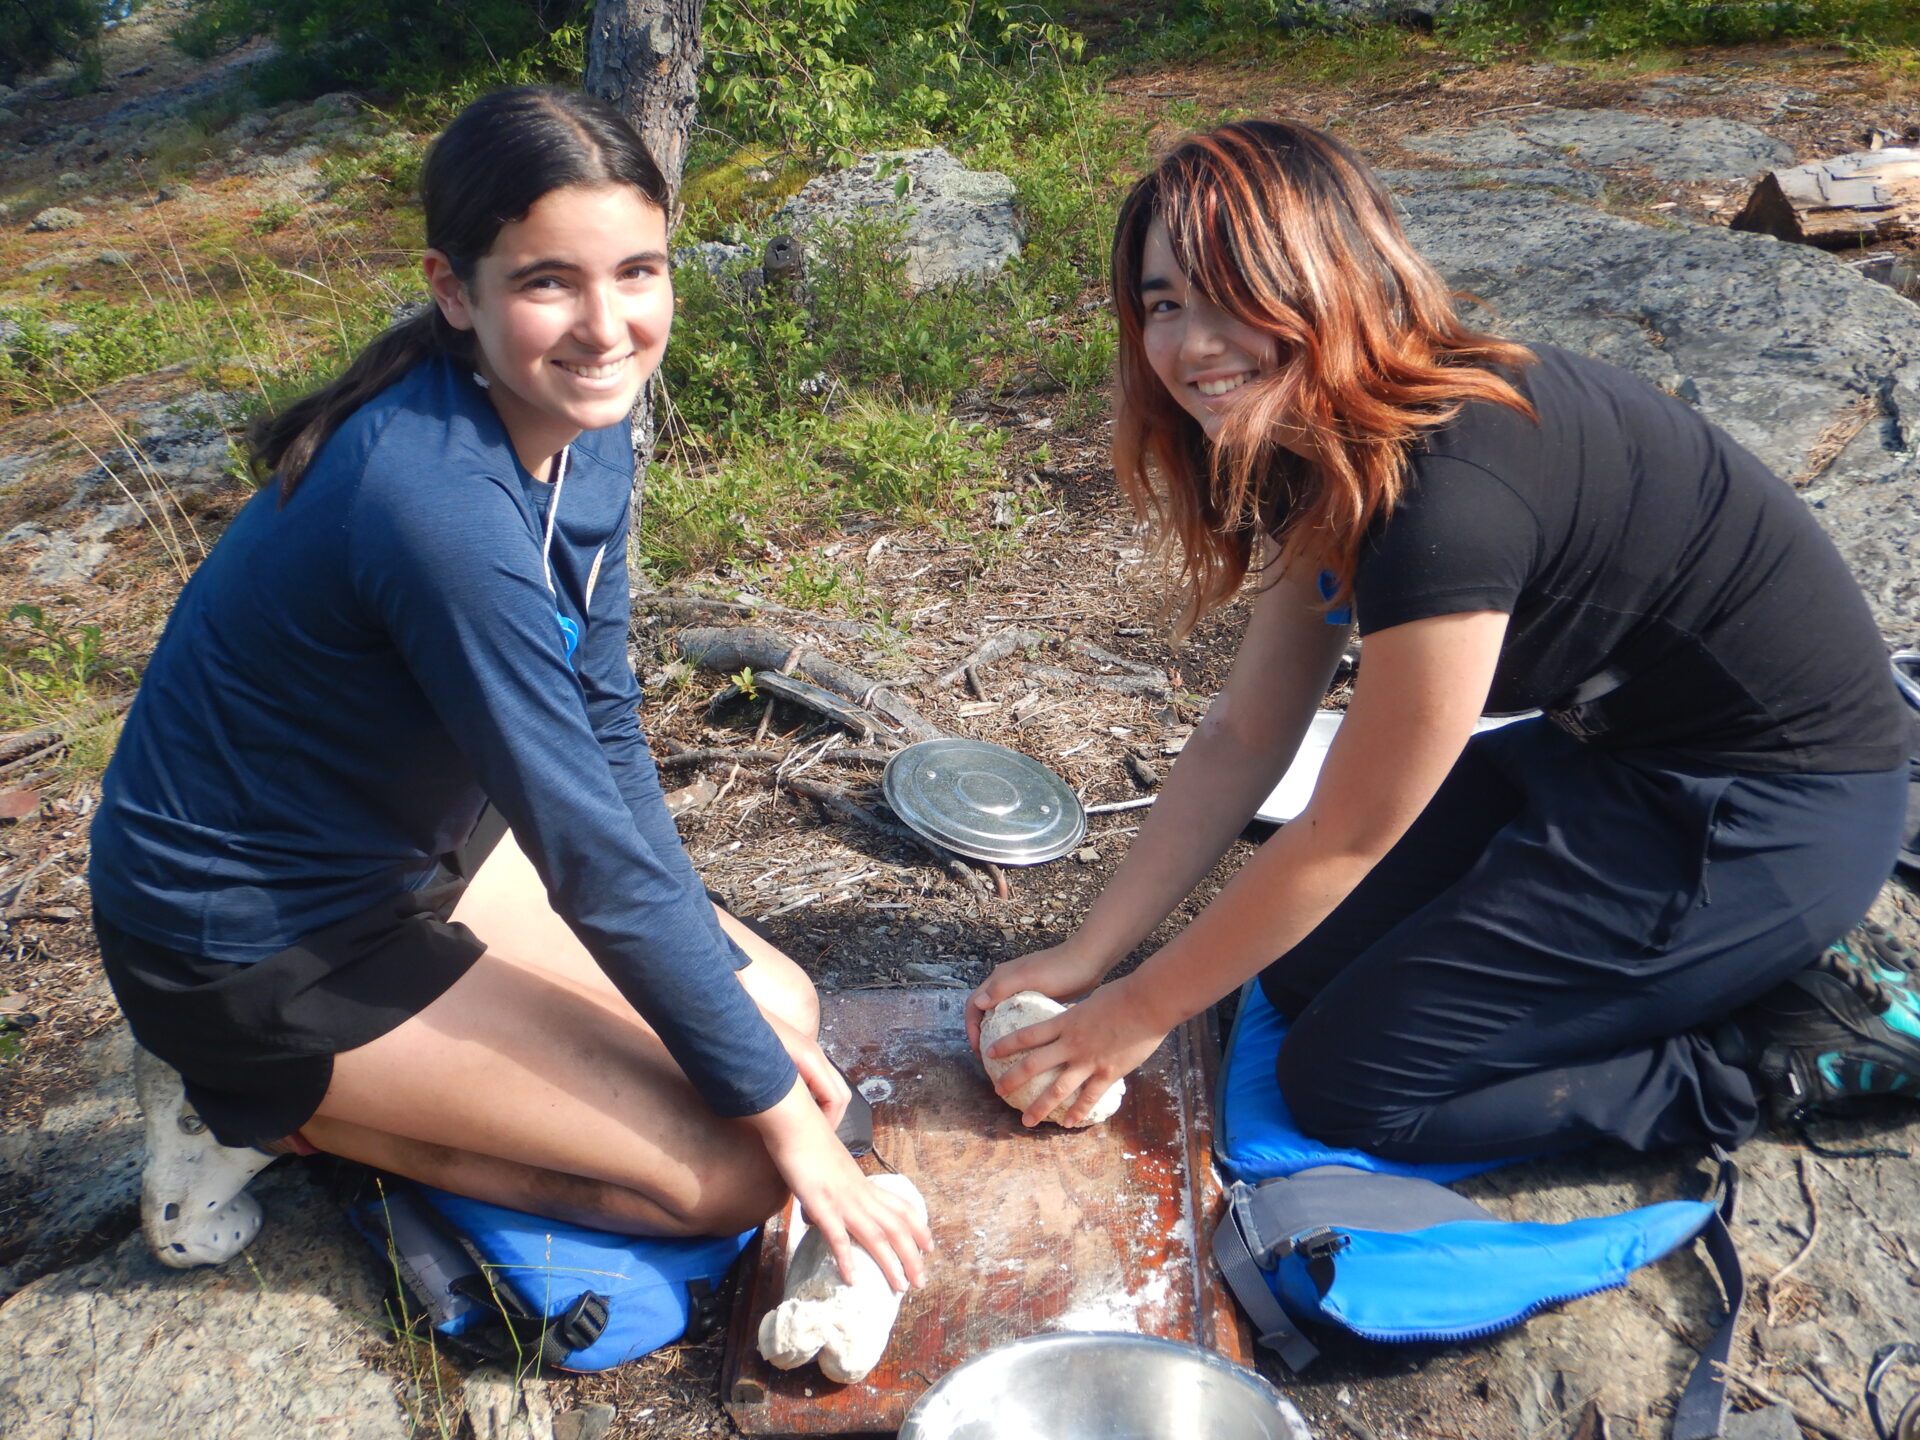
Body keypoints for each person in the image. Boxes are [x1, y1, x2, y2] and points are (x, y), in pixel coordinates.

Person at [89, 86, 930, 1288]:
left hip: (413, 846)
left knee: (778, 1011)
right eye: (549, 282)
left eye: (638, 272)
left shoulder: (579, 424)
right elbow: (582, 847)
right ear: (455, 290)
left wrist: (746, 1045)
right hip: (257, 936)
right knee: (742, 1169)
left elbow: (601, 723)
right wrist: (792, 1137)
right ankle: (248, 1109)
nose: (607, 325)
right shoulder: (432, 503)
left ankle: (347, 1083)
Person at [969, 119, 1916, 1162]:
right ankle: (1686, 968)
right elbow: (1247, 732)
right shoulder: (1321, 443)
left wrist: (1134, 1015)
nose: (1193, 345)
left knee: (1351, 1085)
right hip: (1610, 755)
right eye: (1162, 304)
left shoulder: (1449, 499)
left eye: (1233, 292)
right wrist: (1092, 957)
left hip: (1771, 812)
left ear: (1332, 276)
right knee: (1291, 968)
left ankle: (1760, 1050)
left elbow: (1349, 833)